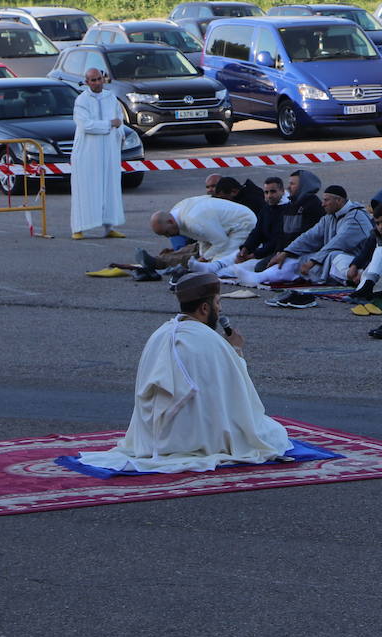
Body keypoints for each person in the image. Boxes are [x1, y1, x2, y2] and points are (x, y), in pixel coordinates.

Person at [71, 272, 293, 475]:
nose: (221, 310)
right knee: (273, 434)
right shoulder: (212, 341)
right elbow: (239, 395)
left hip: (152, 437)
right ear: (204, 309)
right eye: (218, 303)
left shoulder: (160, 333)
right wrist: (235, 350)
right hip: (196, 436)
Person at [260, 187, 374, 306]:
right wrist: (286, 252)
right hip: (332, 260)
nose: (322, 204)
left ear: (339, 201)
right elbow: (309, 237)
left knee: (333, 256)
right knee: (302, 257)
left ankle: (358, 278)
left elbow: (337, 243)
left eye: (326, 200)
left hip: (358, 262)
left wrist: (313, 262)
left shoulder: (356, 217)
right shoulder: (330, 216)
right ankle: (264, 277)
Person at [69, 68, 127, 240]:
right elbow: (86, 125)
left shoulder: (111, 98)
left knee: (109, 189)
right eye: (92, 80)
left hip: (109, 151)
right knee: (85, 189)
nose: (96, 83)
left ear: (103, 79)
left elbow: (120, 121)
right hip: (88, 152)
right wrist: (110, 124)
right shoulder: (81, 100)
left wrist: (119, 130)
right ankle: (78, 228)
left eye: (98, 79)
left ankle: (109, 227)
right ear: (86, 82)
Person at [145, 196, 256, 273]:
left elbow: (221, 242)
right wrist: (203, 257)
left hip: (243, 225)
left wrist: (204, 258)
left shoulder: (193, 221)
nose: (168, 237)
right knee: (203, 258)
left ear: (170, 222)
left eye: (167, 233)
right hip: (225, 229)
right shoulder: (177, 212)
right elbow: (203, 239)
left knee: (217, 264)